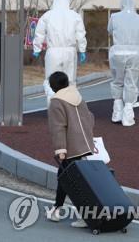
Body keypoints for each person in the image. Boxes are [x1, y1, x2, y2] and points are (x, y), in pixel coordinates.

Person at [46, 71, 95, 228]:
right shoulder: (78, 96)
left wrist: (60, 149)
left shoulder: (56, 101)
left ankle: (83, 215)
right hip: (85, 144)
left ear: (53, 86)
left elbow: (58, 127)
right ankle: (57, 209)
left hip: (70, 147)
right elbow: (90, 118)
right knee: (67, 178)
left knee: (70, 180)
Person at [33, 0, 87, 104]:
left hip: (53, 51)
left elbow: (39, 33)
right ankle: (71, 106)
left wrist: (37, 48)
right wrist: (82, 49)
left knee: (51, 80)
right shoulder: (74, 15)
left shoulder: (48, 15)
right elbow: (81, 34)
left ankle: (53, 107)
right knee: (70, 81)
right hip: (70, 51)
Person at [108, 0, 139, 127]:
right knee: (130, 82)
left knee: (117, 81)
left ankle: (117, 112)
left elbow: (110, 31)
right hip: (134, 52)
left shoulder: (114, 17)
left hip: (117, 52)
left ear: (122, 4)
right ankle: (128, 116)